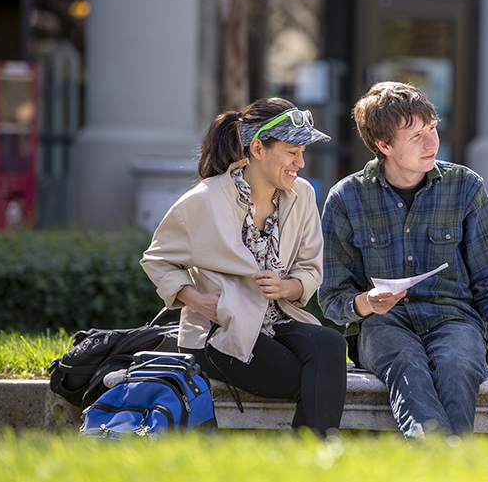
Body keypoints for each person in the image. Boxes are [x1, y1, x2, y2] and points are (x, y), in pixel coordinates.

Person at [318, 81, 488, 439]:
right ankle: (450, 465)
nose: (431, 142)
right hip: (382, 324)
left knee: (457, 366)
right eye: (416, 136)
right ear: (383, 145)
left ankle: (438, 466)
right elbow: (331, 297)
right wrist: (364, 303)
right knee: (407, 368)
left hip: (454, 319)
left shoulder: (466, 187)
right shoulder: (346, 198)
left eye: (432, 128)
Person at [140, 97, 347, 436]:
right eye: (293, 152)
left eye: (303, 152)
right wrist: (196, 300)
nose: (301, 163)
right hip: (220, 333)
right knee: (314, 378)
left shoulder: (303, 195)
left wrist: (285, 287)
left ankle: (310, 459)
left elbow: (309, 271)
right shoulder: (203, 200)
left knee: (330, 343)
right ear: (258, 148)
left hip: (278, 319)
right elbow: (157, 259)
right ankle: (315, 459)